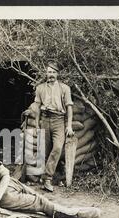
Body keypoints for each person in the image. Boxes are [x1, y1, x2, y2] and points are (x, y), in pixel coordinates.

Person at [23, 62, 74, 192]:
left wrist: (68, 126)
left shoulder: (65, 88)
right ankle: (42, 178)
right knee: (44, 150)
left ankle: (47, 178)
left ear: (57, 74)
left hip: (58, 120)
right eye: (49, 72)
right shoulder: (40, 88)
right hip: (45, 119)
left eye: (53, 72)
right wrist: (36, 124)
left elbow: (69, 107)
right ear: (46, 73)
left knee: (57, 147)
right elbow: (37, 107)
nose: (50, 75)